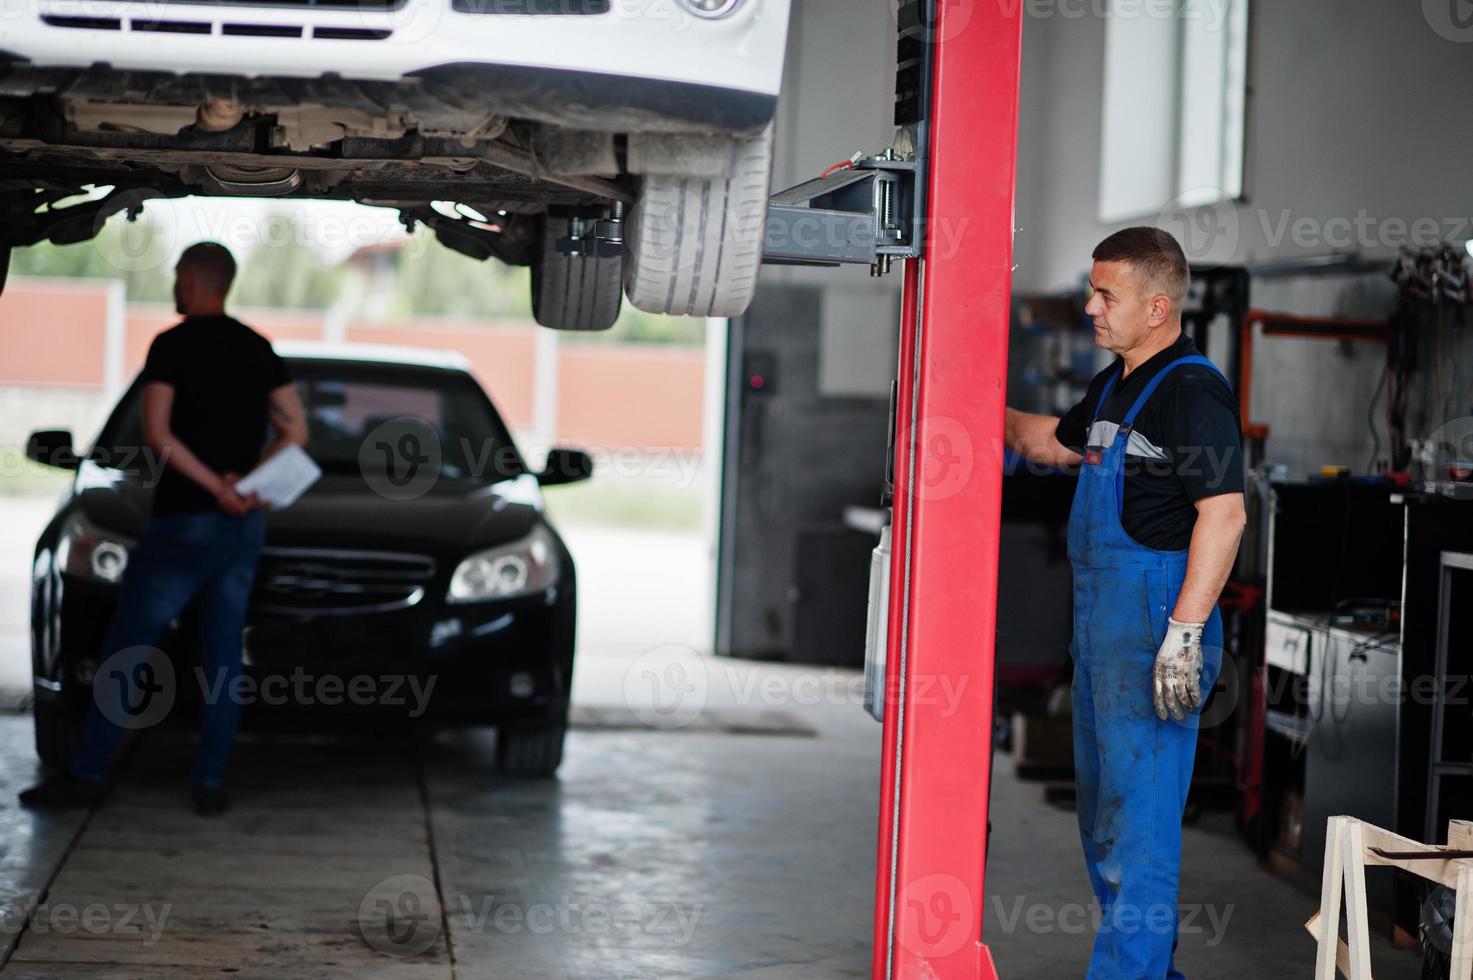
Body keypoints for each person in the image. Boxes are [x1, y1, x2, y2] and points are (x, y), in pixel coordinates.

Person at [1004, 227, 1246, 978]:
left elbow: (1225, 513)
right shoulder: (1114, 385)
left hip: (1152, 633)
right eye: (1092, 289)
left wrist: (1183, 633)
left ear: (1157, 306)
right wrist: (964, 400)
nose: (1089, 306)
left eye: (1105, 295)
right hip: (1103, 635)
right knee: (1104, 822)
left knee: (1137, 830)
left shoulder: (1189, 391)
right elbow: (1053, 445)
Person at [20, 241, 308, 817]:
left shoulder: (171, 346)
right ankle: (207, 784)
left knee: (128, 648)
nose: (176, 285)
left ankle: (88, 775)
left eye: (180, 276)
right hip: (242, 525)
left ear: (197, 282)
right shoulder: (258, 348)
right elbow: (296, 433)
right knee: (224, 655)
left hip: (184, 523)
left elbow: (158, 434)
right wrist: (243, 487)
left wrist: (212, 487)